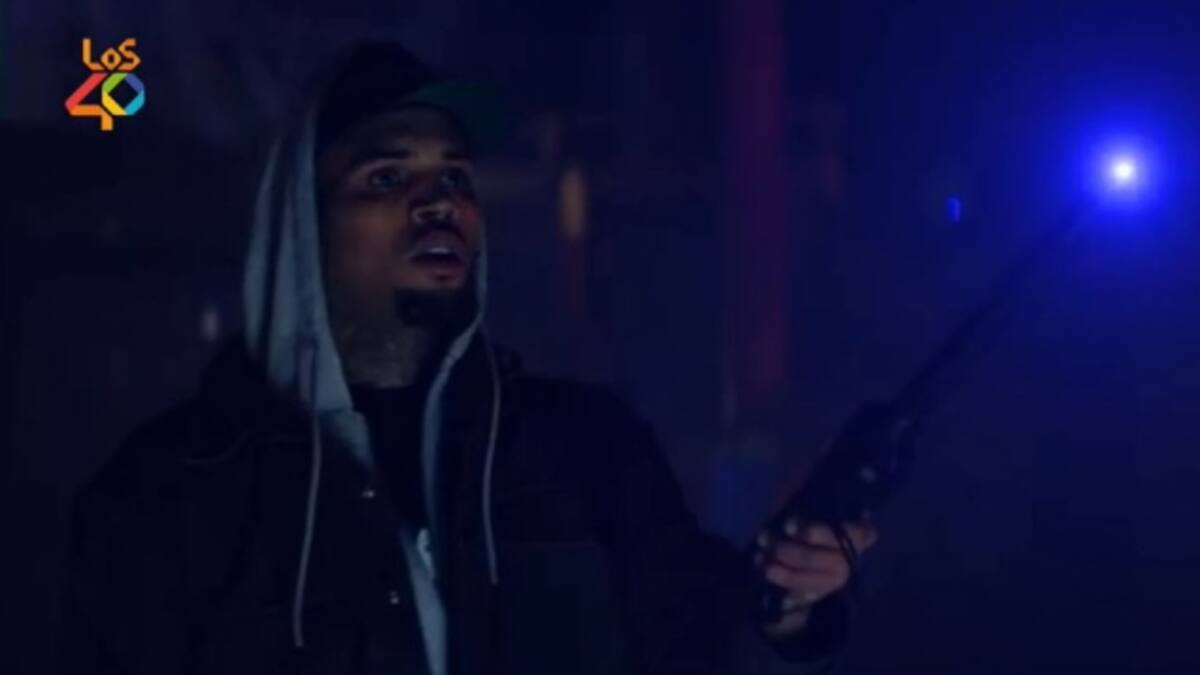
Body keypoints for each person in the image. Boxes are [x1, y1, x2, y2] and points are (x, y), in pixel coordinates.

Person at [63, 42, 878, 675]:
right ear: (301, 224)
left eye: (453, 175)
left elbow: (703, 643)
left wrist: (790, 604)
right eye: (387, 176)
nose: (438, 202)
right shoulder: (169, 493)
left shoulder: (585, 451)